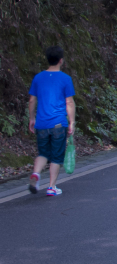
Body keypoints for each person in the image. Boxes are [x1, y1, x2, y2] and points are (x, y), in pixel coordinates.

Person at [27, 46, 75, 196]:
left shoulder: (38, 78)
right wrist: (72, 121)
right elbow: (70, 102)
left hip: (41, 123)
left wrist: (31, 118)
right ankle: (51, 187)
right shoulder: (65, 79)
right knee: (56, 156)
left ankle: (36, 173)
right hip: (58, 123)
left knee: (43, 153)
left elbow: (31, 100)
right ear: (61, 60)